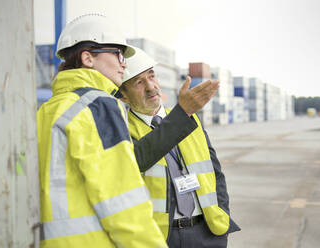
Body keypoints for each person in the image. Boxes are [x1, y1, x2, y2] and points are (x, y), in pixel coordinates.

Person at [37, 14, 220, 248]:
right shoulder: (98, 106)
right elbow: (122, 202)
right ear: (87, 58)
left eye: (152, 76)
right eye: (118, 54)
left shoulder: (45, 112)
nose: (123, 63)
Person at [120, 47, 241, 248]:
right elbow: (136, 161)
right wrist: (181, 113)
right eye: (139, 82)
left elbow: (215, 173)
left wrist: (222, 217)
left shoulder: (190, 119)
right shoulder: (122, 129)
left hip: (207, 233)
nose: (151, 87)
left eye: (151, 76)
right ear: (123, 96)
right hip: (160, 238)